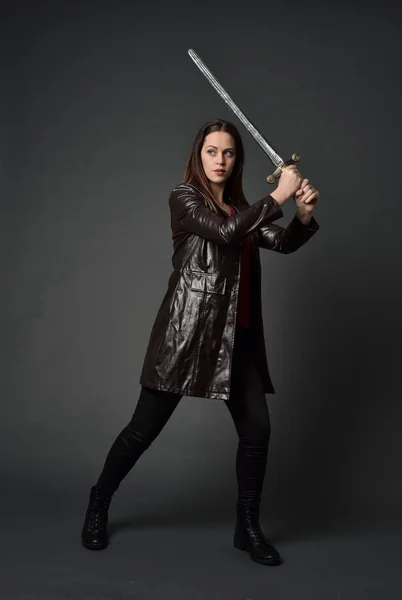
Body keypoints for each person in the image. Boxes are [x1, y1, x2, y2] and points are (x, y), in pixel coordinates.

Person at [81, 119, 320, 566]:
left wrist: (302, 215)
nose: (220, 160)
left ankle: (247, 527)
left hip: (238, 340)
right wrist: (280, 196)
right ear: (199, 154)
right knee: (142, 431)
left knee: (257, 433)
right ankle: (98, 503)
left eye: (228, 153)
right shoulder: (184, 198)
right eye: (212, 151)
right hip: (185, 336)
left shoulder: (242, 208)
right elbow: (227, 234)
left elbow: (283, 242)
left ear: (237, 161)